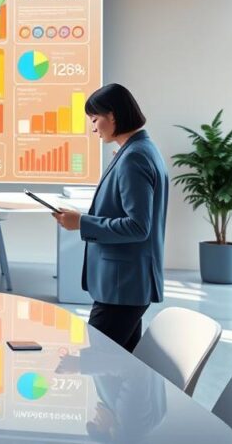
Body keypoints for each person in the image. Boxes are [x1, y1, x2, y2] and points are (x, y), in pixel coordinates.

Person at [53, 83, 169, 352]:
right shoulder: (138, 151)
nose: (93, 127)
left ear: (113, 116)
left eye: (95, 120)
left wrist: (81, 223)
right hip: (126, 285)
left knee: (98, 363)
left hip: (122, 287)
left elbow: (138, 226)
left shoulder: (134, 158)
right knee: (120, 372)